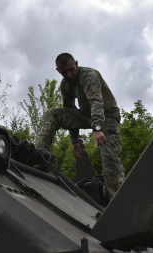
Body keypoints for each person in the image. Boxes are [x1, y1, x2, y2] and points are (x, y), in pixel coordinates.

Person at [36, 53, 125, 199]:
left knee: (108, 154)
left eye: (71, 69)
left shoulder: (88, 76)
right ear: (58, 71)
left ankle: (117, 196)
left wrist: (97, 129)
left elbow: (96, 102)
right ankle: (39, 160)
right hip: (86, 115)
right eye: (64, 72)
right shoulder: (65, 85)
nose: (69, 74)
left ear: (76, 64)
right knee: (53, 113)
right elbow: (69, 112)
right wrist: (74, 141)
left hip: (108, 115)